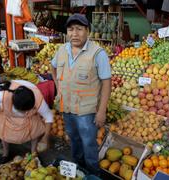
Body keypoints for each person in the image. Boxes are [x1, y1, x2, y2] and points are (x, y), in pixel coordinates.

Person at [51, 14, 111, 175]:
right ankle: (79, 171)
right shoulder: (61, 50)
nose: (74, 33)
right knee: (74, 141)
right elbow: (53, 67)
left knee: (89, 144)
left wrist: (101, 111)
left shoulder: (98, 54)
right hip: (67, 108)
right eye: (71, 29)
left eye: (79, 29)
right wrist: (58, 88)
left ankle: (92, 174)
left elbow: (106, 82)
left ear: (88, 32)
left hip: (86, 111)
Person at [0, 80, 53, 164]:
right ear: (13, 103)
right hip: (7, 115)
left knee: (35, 128)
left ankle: (34, 152)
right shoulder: (1, 95)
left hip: (30, 118)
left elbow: (49, 116)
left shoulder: (37, 98)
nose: (24, 113)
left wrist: (45, 138)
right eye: (22, 111)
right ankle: (5, 153)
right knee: (4, 130)